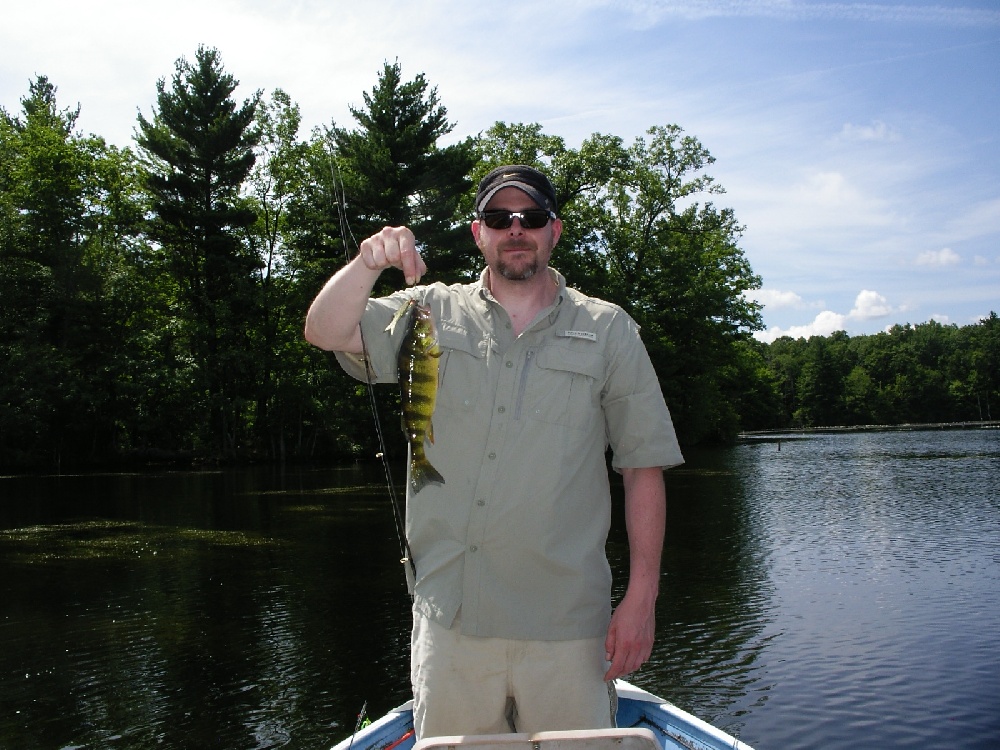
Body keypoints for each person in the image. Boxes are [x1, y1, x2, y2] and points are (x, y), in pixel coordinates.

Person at [304, 165, 684, 738]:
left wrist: (642, 599)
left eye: (530, 218)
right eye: (498, 219)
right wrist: (368, 263)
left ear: (553, 230)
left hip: (569, 629)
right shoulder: (427, 310)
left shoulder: (609, 331)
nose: (515, 229)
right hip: (451, 624)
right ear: (477, 233)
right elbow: (325, 331)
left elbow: (643, 469)